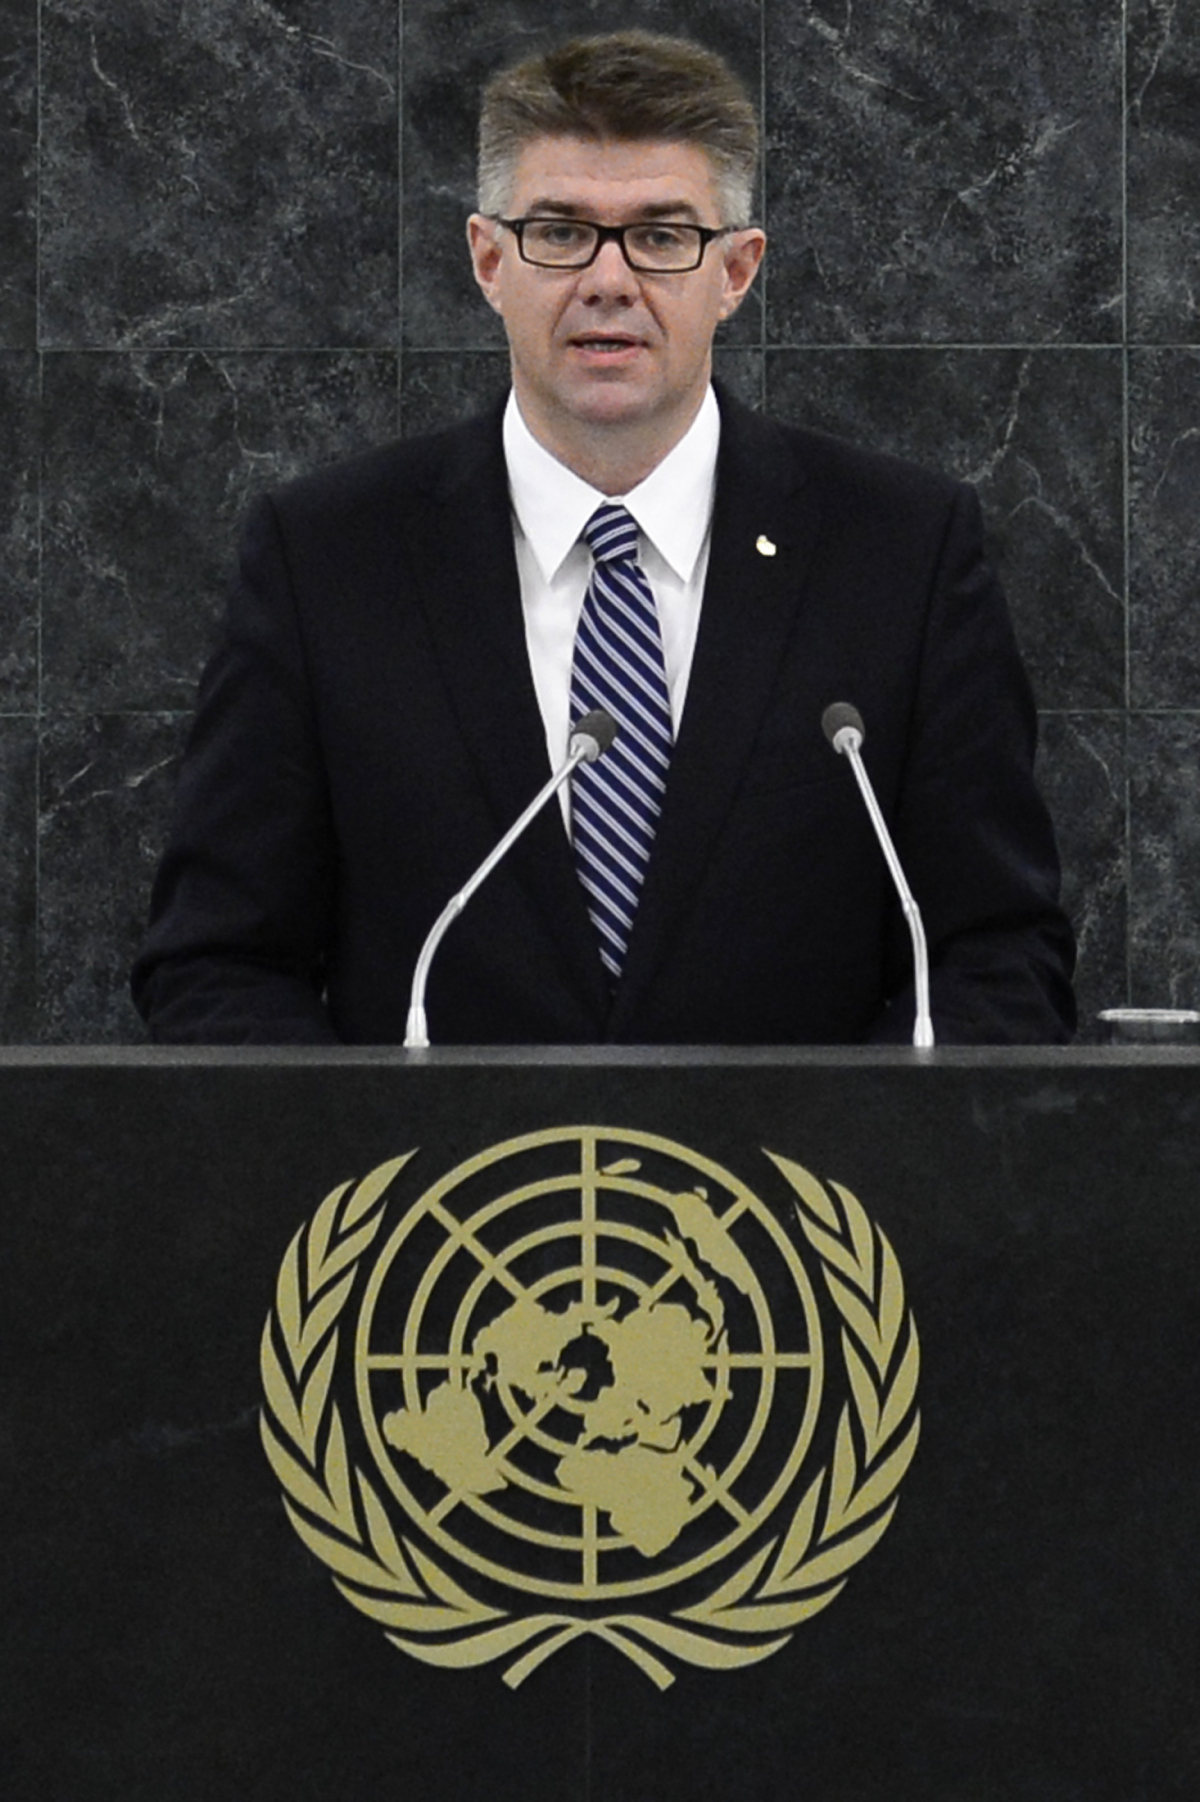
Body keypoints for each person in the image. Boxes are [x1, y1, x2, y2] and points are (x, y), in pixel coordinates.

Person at [131, 30, 1075, 1047]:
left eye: (662, 236)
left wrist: (834, 1182)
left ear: (738, 271)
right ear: (489, 260)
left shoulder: (902, 552)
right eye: (561, 232)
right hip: (445, 1201)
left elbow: (994, 958)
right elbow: (218, 964)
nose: (609, 280)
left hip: (789, 1202)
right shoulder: (328, 558)